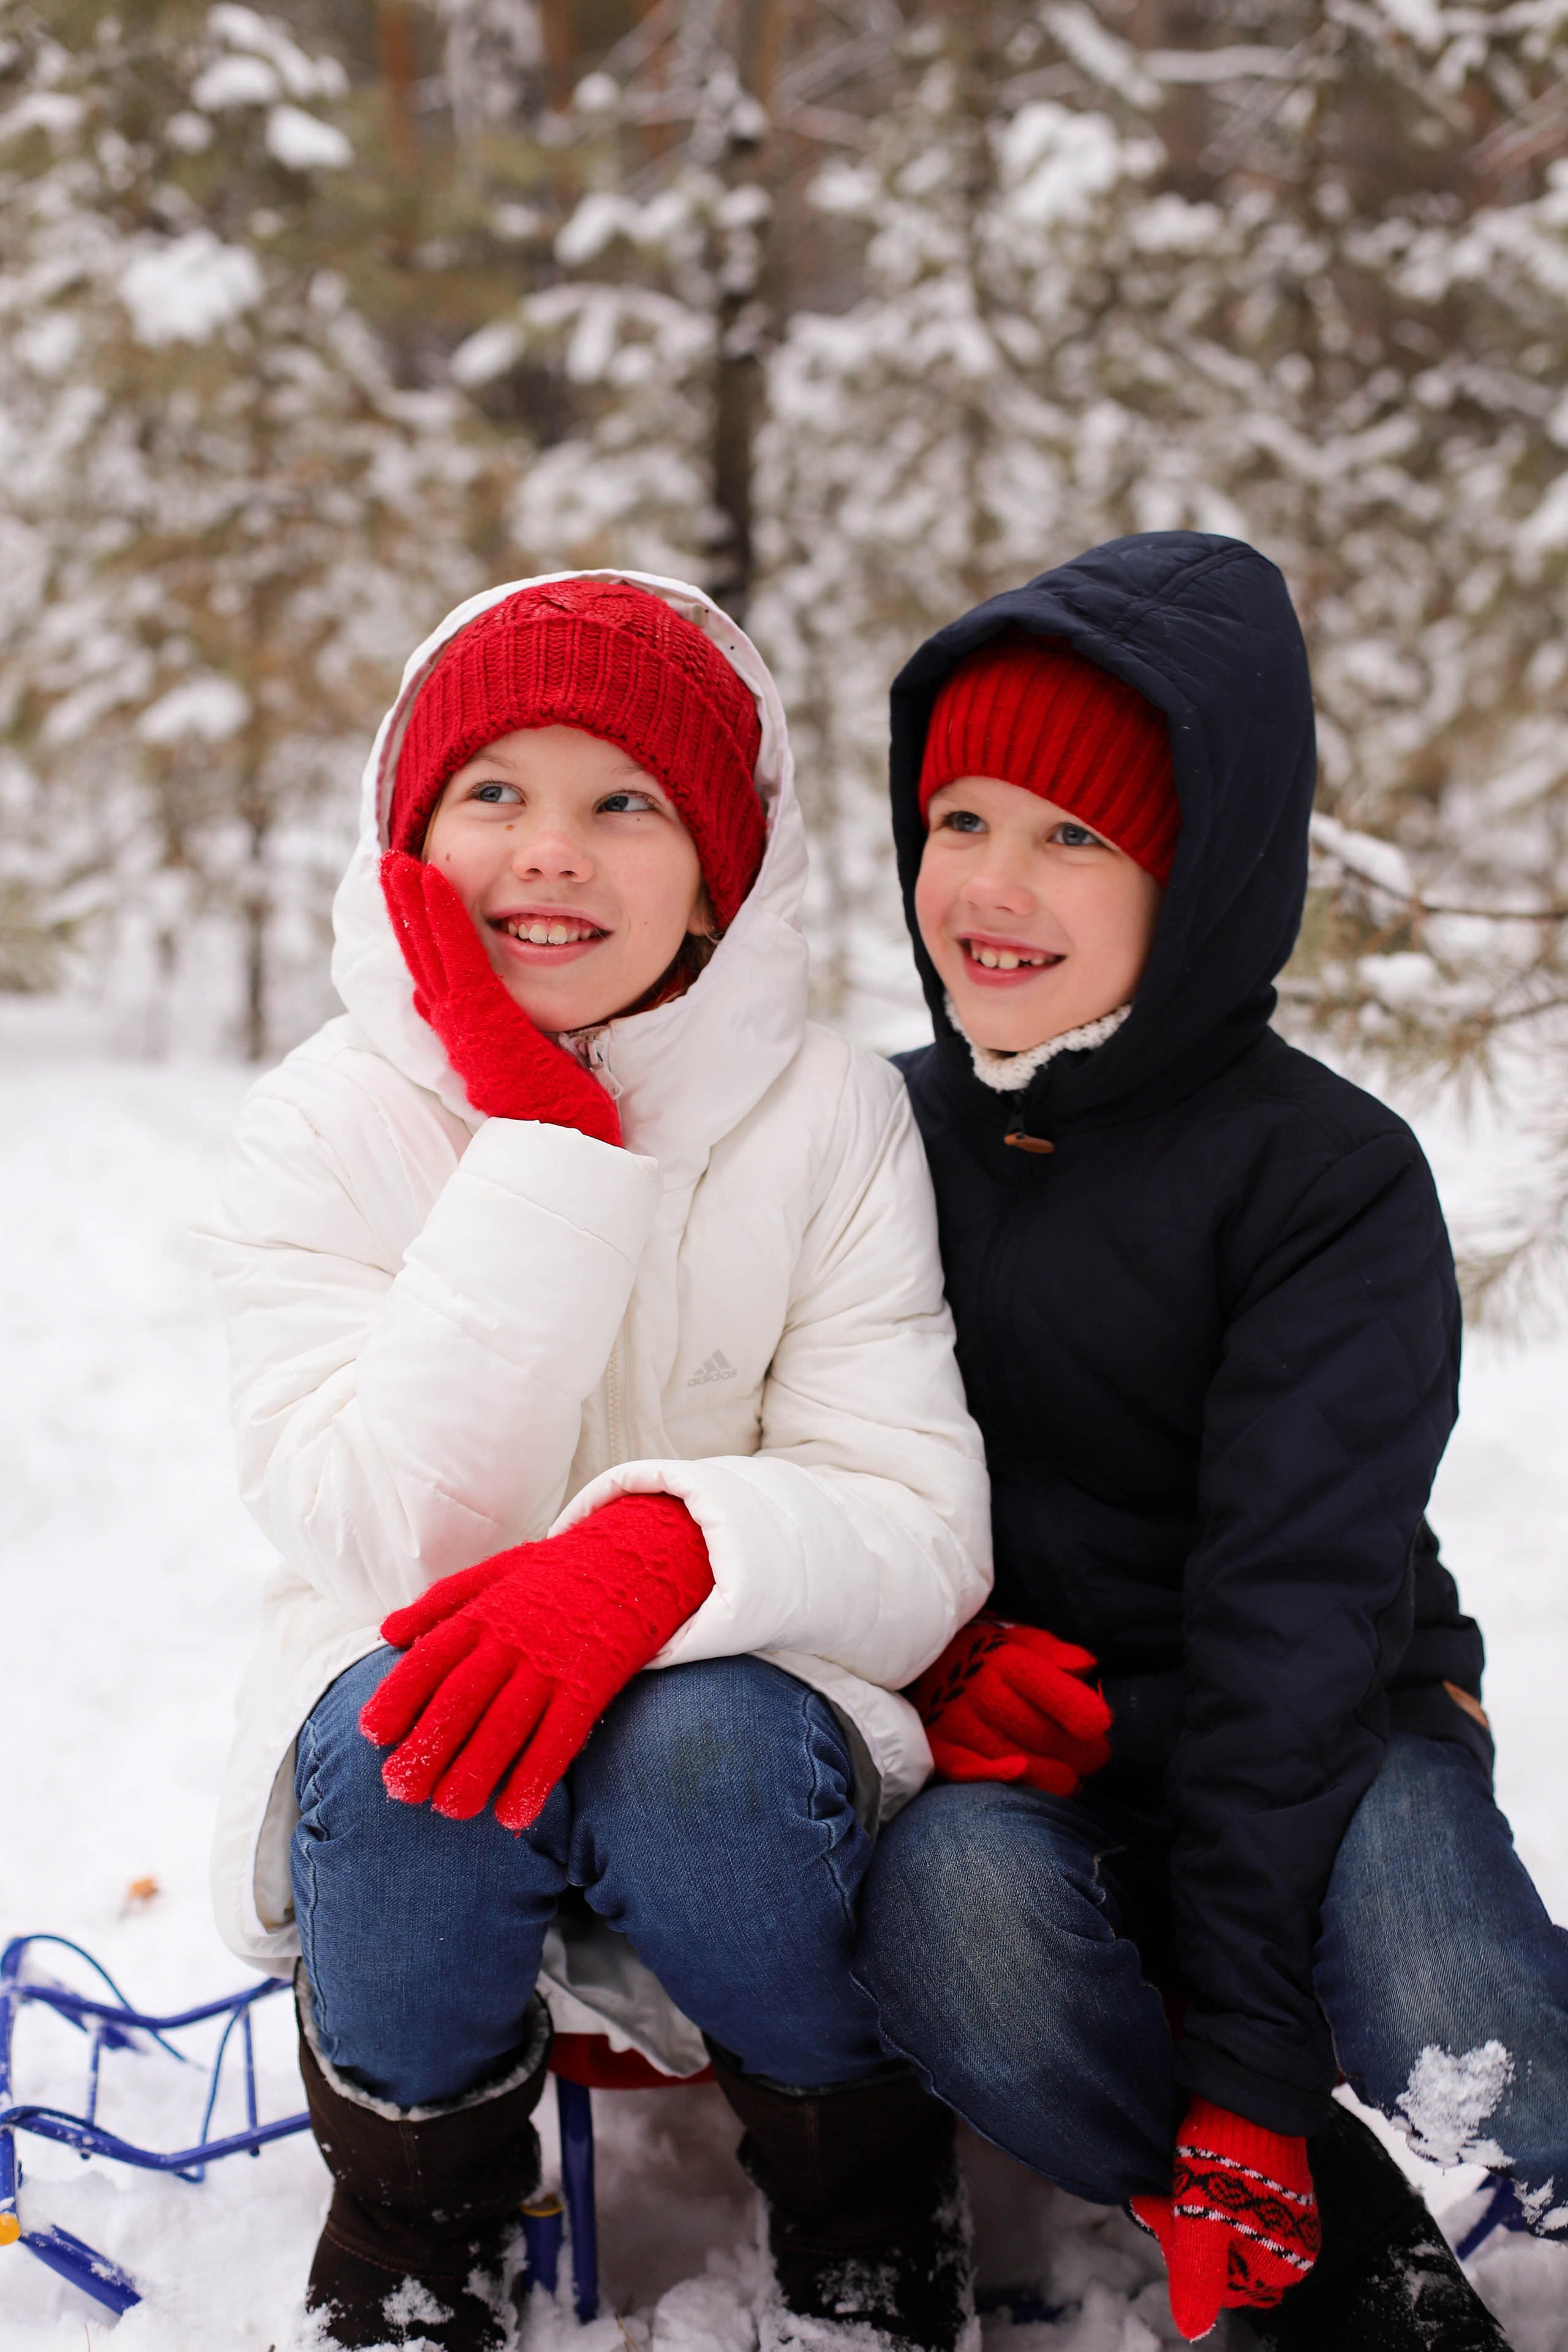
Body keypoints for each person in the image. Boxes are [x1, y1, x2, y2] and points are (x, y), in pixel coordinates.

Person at [194, 572, 992, 2352]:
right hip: (425, 1704)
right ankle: (419, 2235)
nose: (550, 851)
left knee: (697, 1744)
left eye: (623, 801)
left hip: (736, 1722)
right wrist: (546, 1148)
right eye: (495, 795)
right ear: (410, 838)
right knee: (420, 1730)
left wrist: (656, 1559)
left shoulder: (831, 1113)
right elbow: (385, 1528)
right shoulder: (327, 1119)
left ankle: (862, 2204)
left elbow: (920, 1521)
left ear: (722, 866)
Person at [854, 531, 1568, 2349]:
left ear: (1207, 867)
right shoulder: (866, 1138)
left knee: (1453, 1993)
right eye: (960, 820)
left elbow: (1293, 1621)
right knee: (960, 1933)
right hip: (1031, 1758)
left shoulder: (1323, 1181)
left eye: (1076, 835)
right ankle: (1332, 2252)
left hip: (1324, 1732)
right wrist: (938, 1670)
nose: (995, 885)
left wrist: (1254, 2053)